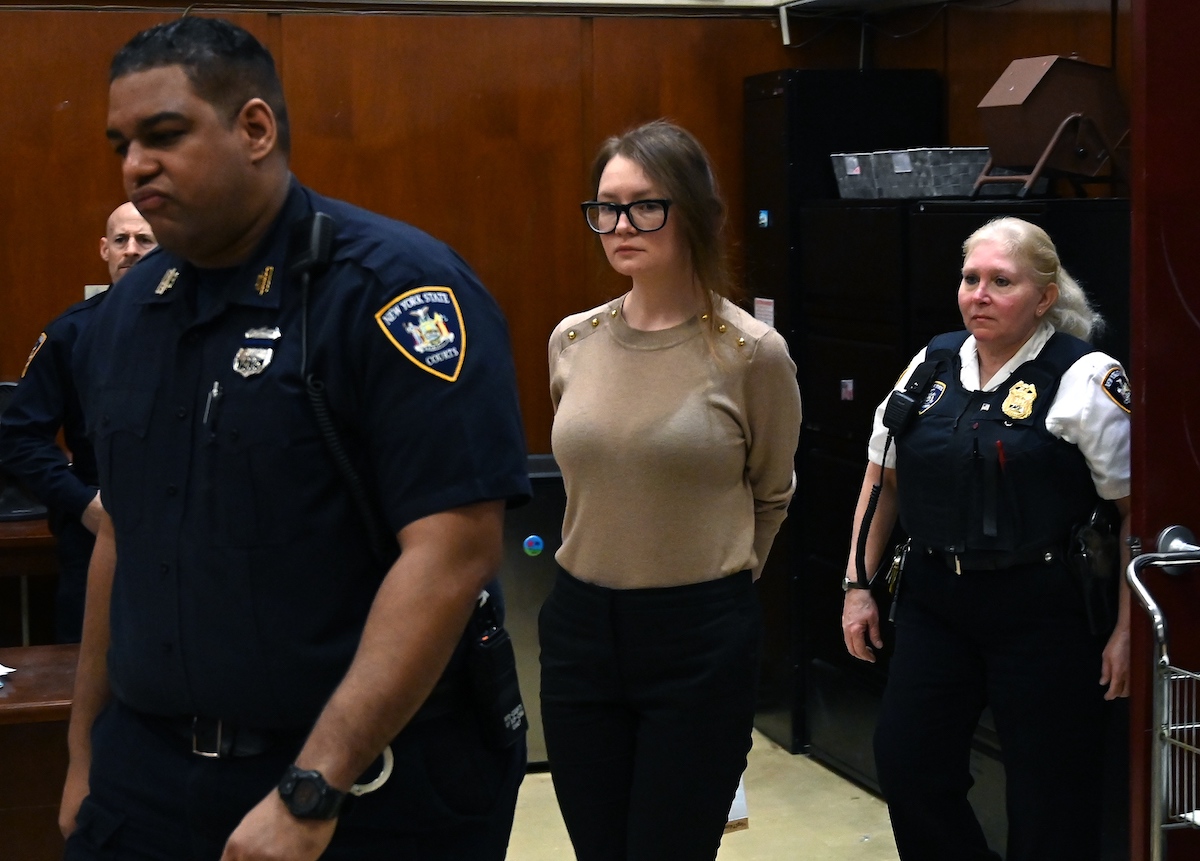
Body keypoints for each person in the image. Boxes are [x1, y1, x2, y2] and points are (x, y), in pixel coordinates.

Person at [59, 17, 530, 861]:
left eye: (164, 134)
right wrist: (83, 755)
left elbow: (453, 551)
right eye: (122, 143)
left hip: (361, 788)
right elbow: (119, 535)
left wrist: (314, 785)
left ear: (254, 129)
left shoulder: (391, 289)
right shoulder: (128, 314)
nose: (135, 165)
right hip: (150, 776)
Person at [541, 120, 802, 861]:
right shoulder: (572, 340)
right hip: (580, 627)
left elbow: (773, 491)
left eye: (645, 205)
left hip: (697, 632)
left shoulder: (750, 352)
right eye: (606, 207)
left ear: (694, 213)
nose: (621, 225)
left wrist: (720, 583)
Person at [841, 216, 1132, 861]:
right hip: (936, 602)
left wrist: (1127, 628)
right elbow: (879, 481)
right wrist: (857, 586)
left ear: (1045, 297)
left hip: (1044, 610)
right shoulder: (932, 362)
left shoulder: (1085, 376)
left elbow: (1136, 511)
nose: (979, 293)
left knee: (1049, 794)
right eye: (971, 279)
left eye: (1002, 281)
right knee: (907, 760)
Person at [0, 202, 156, 643]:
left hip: (185, 537)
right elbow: (19, 438)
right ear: (104, 250)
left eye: (145, 240)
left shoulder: (198, 329)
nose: (131, 250)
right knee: (89, 671)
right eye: (121, 240)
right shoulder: (70, 334)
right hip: (94, 531)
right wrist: (83, 503)